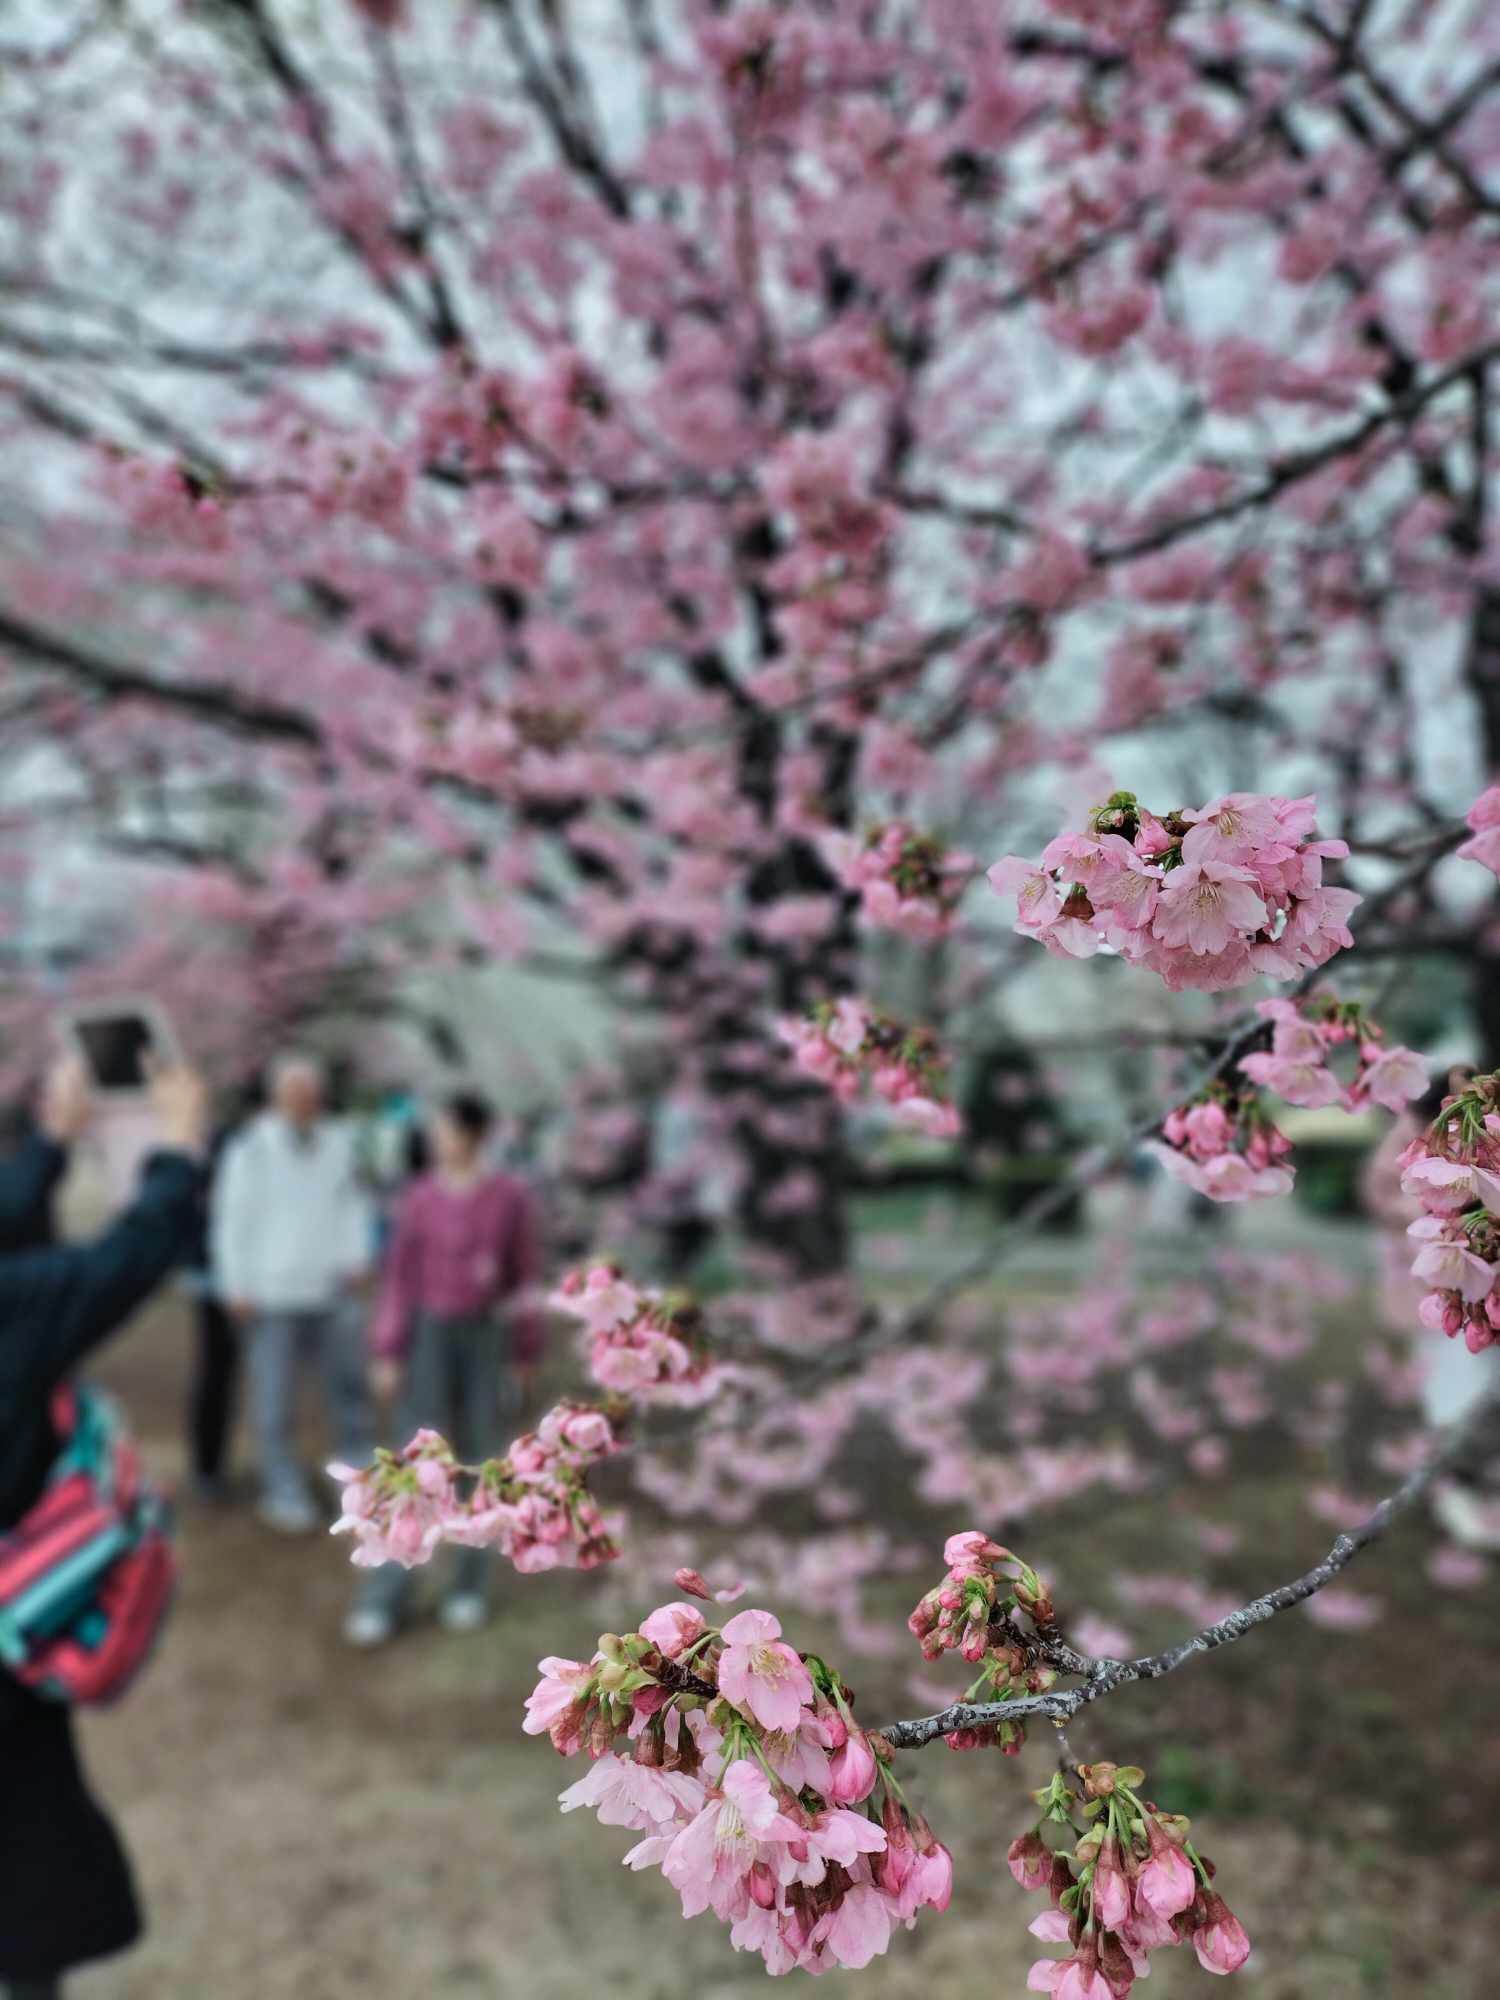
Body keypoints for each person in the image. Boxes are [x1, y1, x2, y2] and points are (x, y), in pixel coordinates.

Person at [0, 1051, 208, 1999]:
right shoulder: (22, 1307)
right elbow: (131, 1253)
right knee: (26, 1884)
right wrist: (179, 1144)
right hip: (9, 1653)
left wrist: (50, 1145)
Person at [346, 1090, 544, 1648]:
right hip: (429, 1333)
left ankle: (468, 1587)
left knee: (480, 1458)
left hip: (485, 1335)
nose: (437, 1139)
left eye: (446, 1129)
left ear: (472, 1135)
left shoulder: (509, 1197)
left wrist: (525, 1352)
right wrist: (389, 1347)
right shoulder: (419, 1197)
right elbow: (398, 1277)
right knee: (416, 1459)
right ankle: (387, 1591)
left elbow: (524, 1276)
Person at [210, 1053, 375, 1535]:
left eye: (311, 1091)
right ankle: (283, 1488)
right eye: (294, 1091)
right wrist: (234, 1284)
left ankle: (361, 1477)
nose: (305, 1100)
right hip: (270, 1293)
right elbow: (230, 1220)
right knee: (274, 1398)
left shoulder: (339, 1142)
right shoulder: (249, 1149)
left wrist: (357, 1257)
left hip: (330, 1287)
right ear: (276, 1097)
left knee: (348, 1388)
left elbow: (354, 1204)